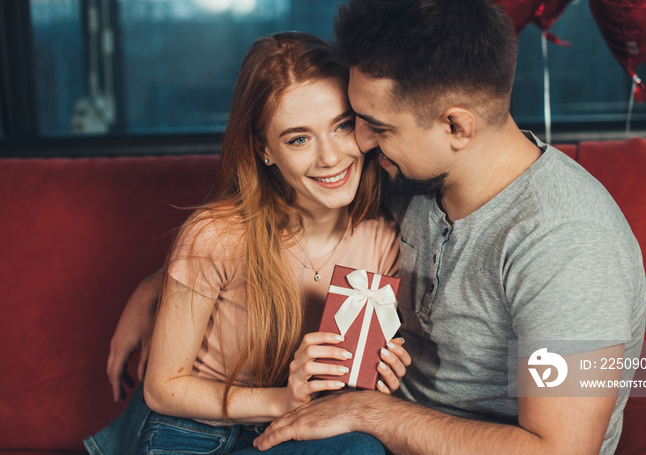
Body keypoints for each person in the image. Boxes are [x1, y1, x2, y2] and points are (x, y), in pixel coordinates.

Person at [250, 0, 646, 454]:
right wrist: (164, 287)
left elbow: (559, 449)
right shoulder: (411, 178)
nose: (358, 143)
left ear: (457, 127)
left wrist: (365, 412)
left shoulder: (569, 244)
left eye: (378, 127)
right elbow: (291, 226)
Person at [86, 31, 410, 455]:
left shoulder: (383, 238)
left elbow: (346, 388)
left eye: (342, 126)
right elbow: (163, 388)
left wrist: (379, 378)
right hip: (193, 432)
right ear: (265, 150)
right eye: (299, 138)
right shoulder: (217, 234)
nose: (330, 157)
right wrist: (283, 399)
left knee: (363, 448)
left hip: (293, 431)